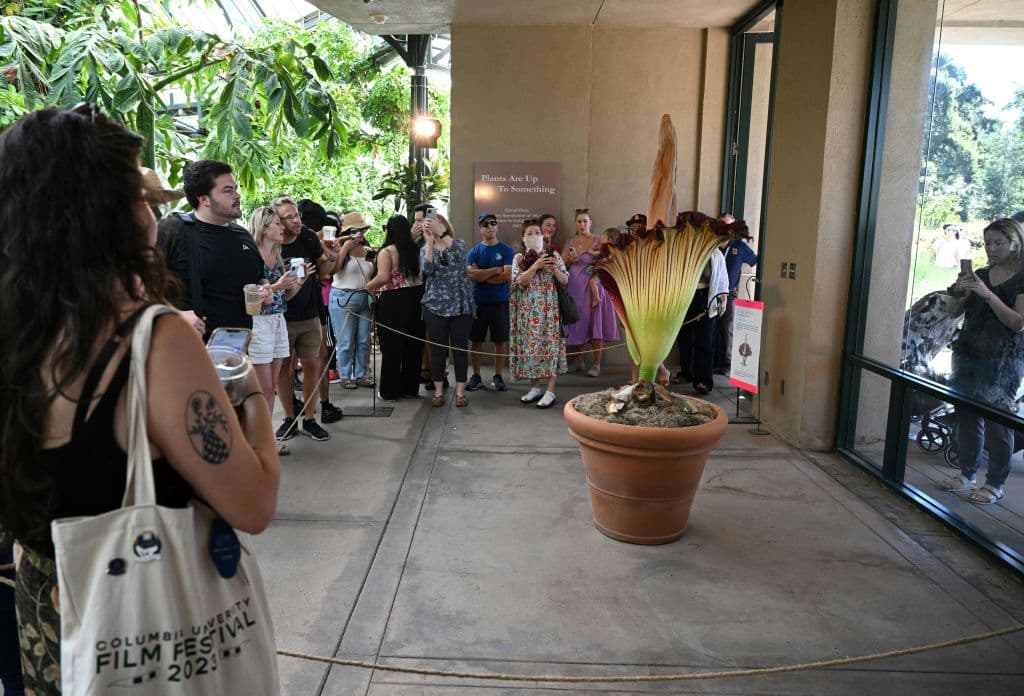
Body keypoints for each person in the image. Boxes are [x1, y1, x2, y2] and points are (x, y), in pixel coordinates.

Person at [0, 106, 279, 695]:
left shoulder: (21, 331)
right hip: (145, 637)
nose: (153, 206)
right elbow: (252, 502)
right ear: (106, 211)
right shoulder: (153, 339)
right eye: (139, 190)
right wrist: (249, 389)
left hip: (49, 622)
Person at [939, 218, 1024, 506]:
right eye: (987, 243)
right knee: (967, 416)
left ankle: (995, 483)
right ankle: (967, 473)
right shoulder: (981, 274)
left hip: (1003, 360)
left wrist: (987, 295)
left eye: (999, 242)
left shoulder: (1021, 278)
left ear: (1015, 243)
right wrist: (962, 292)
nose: (992, 248)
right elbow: (953, 314)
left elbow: (1017, 323)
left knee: (998, 423)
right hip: (968, 354)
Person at [157, 159, 261, 339]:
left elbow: (259, 278)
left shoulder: (242, 235)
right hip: (187, 344)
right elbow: (139, 285)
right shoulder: (173, 230)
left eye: (235, 189)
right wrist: (175, 313)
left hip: (236, 346)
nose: (237, 196)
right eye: (228, 190)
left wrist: (264, 290)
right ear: (204, 199)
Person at [271, 196, 342, 442]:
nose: (295, 220)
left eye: (296, 215)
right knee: (283, 368)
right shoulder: (272, 243)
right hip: (281, 317)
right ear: (277, 222)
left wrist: (332, 256)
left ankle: (310, 418)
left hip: (311, 313)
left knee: (313, 364)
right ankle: (289, 418)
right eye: (289, 217)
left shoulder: (309, 237)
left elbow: (324, 272)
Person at [248, 207, 301, 420]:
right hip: (259, 322)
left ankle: (267, 440)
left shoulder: (277, 254)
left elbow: (283, 297)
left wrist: (297, 283)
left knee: (271, 388)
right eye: (277, 224)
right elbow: (251, 295)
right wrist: (279, 285)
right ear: (264, 226)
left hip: (278, 319)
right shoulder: (250, 254)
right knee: (264, 387)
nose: (282, 227)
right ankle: (260, 440)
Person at [366, 215, 426, 401]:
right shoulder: (414, 249)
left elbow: (383, 277)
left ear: (389, 230)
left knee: (392, 347)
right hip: (417, 298)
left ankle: (389, 390)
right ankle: (409, 387)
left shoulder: (387, 251)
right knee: (413, 345)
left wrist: (366, 287)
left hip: (393, 301)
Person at [511, 219, 569, 409]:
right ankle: (535, 387)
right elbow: (519, 282)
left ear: (543, 236)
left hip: (550, 310)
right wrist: (535, 265)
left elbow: (565, 279)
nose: (534, 236)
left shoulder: (553, 255)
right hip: (528, 312)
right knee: (531, 347)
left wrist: (553, 269)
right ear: (523, 237)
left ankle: (550, 390)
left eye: (537, 232)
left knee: (551, 347)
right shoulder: (519, 258)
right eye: (529, 233)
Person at [421, 213, 475, 407]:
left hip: (461, 305)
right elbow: (427, 270)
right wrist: (429, 242)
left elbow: (460, 256)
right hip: (434, 305)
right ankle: (438, 392)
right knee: (437, 350)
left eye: (438, 222)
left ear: (444, 225)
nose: (434, 226)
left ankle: (460, 392)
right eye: (430, 224)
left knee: (460, 350)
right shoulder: (425, 248)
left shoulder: (457, 243)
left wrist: (440, 232)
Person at [561, 208, 619, 376]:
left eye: (585, 221)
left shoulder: (598, 239)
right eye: (579, 221)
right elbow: (562, 264)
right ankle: (579, 361)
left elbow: (608, 259)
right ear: (575, 223)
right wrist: (569, 260)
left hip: (594, 287)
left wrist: (597, 274)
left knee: (595, 325)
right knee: (578, 325)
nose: (582, 224)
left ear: (590, 222)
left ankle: (596, 364)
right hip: (574, 288)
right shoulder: (569, 241)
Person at [466, 213, 514, 392]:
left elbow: (507, 276)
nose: (490, 227)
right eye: (486, 224)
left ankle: (498, 376)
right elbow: (471, 275)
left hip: (500, 303)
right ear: (480, 229)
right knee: (476, 340)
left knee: (500, 341)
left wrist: (483, 276)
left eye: (493, 223)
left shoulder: (507, 250)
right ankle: (476, 376)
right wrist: (496, 271)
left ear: (497, 226)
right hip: (478, 302)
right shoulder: (474, 252)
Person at [329, 212, 376, 390]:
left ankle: (362, 373)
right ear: (348, 232)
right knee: (346, 340)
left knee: (364, 339)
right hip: (343, 296)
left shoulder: (367, 249)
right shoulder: (338, 246)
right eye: (356, 230)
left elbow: (373, 272)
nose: (360, 234)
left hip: (364, 295)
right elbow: (333, 270)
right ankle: (346, 375)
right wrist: (344, 249)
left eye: (362, 230)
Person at [675, 247, 728, 395]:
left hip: (706, 298)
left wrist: (723, 301)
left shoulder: (716, 254)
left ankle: (703, 380)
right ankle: (686, 373)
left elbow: (723, 279)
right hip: (687, 297)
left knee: (704, 341)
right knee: (684, 337)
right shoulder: (687, 250)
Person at [714, 213, 757, 374]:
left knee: (727, 328)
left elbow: (755, 261)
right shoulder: (711, 246)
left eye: (729, 226)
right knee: (712, 329)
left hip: (730, 293)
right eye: (722, 225)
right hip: (710, 292)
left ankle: (726, 362)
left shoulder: (739, 246)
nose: (726, 229)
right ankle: (713, 361)